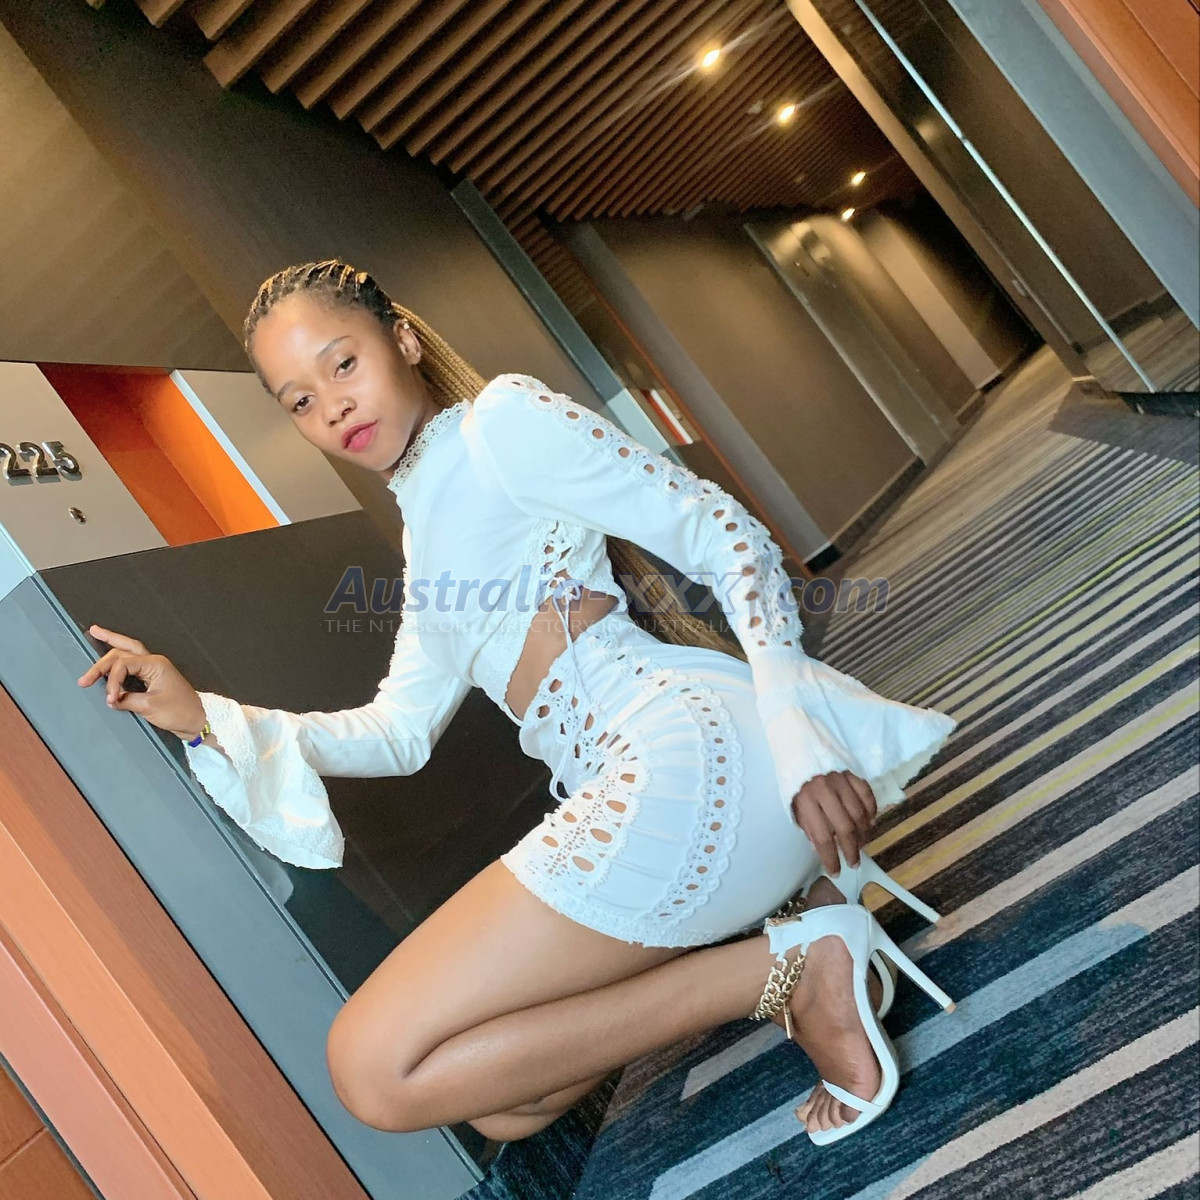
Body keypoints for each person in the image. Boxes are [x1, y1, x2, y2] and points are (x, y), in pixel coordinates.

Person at [76, 259, 957, 1146]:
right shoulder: (425, 543)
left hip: (690, 757)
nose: (333, 406)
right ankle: (800, 953)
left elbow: (718, 531)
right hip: (658, 786)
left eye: (343, 364)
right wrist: (204, 717)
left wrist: (799, 733)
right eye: (300, 400)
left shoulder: (499, 423)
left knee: (373, 1069)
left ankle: (794, 972)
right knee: (506, 1106)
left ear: (403, 340)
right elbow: (397, 733)